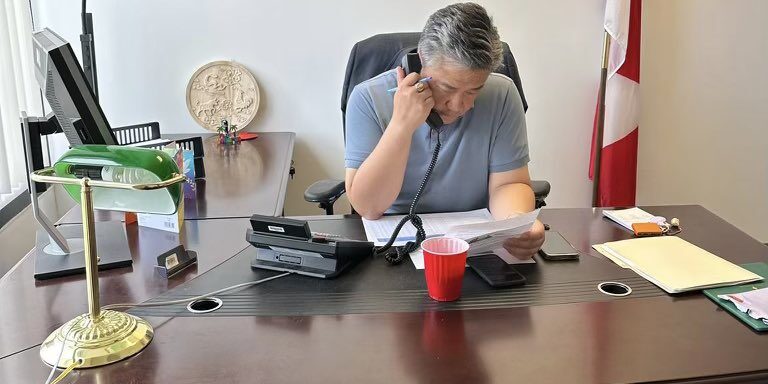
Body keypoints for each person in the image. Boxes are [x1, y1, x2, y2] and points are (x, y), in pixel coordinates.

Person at [344, 2, 544, 260]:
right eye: (447, 88)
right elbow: (368, 207)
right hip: (394, 248)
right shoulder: (367, 99)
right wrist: (401, 126)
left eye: (474, 90)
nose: (461, 106)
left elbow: (510, 183)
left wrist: (515, 224)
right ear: (420, 66)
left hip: (474, 248)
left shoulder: (502, 94)